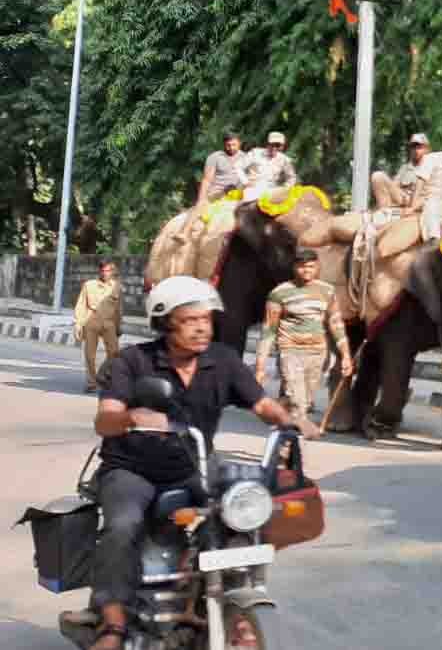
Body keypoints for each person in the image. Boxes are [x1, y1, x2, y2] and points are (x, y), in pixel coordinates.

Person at [88, 276, 320, 650]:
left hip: (193, 466)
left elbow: (260, 404)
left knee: (242, 512)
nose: (201, 328)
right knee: (122, 525)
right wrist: (132, 417)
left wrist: (290, 420)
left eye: (207, 319)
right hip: (132, 469)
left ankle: (234, 602)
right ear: (165, 323)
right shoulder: (132, 362)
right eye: (190, 320)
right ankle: (112, 624)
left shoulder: (223, 361)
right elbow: (105, 419)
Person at [254, 248, 352, 423]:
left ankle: (282, 421)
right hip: (290, 351)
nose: (306, 270)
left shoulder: (327, 291)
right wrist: (260, 366)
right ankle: (291, 441)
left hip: (317, 353)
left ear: (318, 267)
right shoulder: (280, 293)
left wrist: (345, 355)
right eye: (301, 266)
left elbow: (335, 323)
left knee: (304, 402)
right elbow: (269, 331)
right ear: (294, 267)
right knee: (298, 402)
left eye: (311, 266)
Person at [73, 260, 122, 393]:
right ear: (99, 271)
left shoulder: (116, 286)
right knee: (90, 355)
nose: (105, 273)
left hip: (109, 323)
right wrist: (77, 324)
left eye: (108, 271)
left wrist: (118, 325)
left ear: (112, 272)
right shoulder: (89, 285)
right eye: (103, 270)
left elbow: (118, 309)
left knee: (114, 353)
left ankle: (102, 374)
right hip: (91, 321)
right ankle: (91, 382)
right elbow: (81, 305)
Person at [371, 132, 430, 209]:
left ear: (427, 149)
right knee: (377, 176)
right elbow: (394, 186)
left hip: (420, 202)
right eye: (413, 147)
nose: (415, 150)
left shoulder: (432, 166)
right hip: (403, 198)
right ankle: (384, 212)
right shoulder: (405, 168)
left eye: (419, 147)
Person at [241, 131, 298, 200]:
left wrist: (285, 188)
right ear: (267, 144)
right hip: (253, 188)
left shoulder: (285, 160)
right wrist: (245, 181)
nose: (274, 148)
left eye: (277, 145)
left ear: (282, 147)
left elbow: (291, 177)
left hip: (272, 191)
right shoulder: (255, 153)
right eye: (272, 144)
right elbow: (238, 167)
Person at [196, 132, 248, 204]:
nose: (231, 148)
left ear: (239, 144)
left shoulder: (245, 157)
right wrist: (200, 200)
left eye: (234, 145)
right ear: (224, 144)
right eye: (228, 145)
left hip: (236, 196)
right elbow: (207, 180)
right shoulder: (215, 157)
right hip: (216, 194)